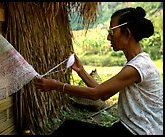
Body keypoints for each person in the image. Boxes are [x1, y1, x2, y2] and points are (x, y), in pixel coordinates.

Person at [35, 6, 163, 135]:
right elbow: (103, 93)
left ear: (127, 33)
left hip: (141, 132)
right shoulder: (135, 63)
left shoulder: (138, 67)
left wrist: (56, 86)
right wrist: (81, 71)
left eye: (112, 31)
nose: (108, 37)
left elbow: (97, 94)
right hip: (129, 129)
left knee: (70, 128)